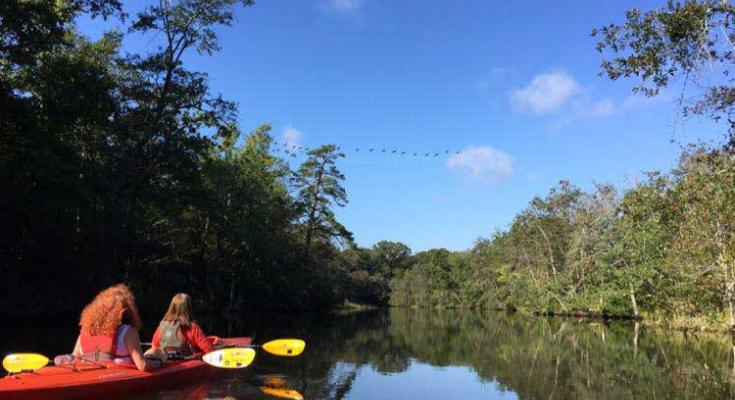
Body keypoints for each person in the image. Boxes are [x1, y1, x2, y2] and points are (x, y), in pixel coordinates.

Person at [55, 284, 166, 371]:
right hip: (115, 378)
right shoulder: (129, 332)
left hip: (90, 375)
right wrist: (160, 361)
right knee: (156, 354)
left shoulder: (85, 330)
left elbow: (74, 359)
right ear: (126, 310)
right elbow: (142, 366)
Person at [145, 293, 215, 357]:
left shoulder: (162, 326)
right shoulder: (192, 327)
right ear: (189, 308)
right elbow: (209, 351)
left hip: (166, 364)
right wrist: (200, 354)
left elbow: (154, 346)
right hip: (187, 365)